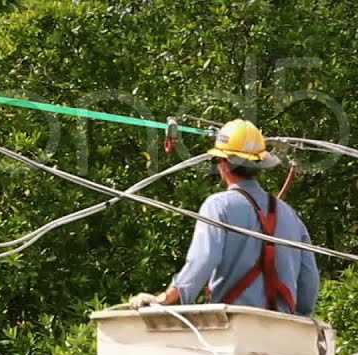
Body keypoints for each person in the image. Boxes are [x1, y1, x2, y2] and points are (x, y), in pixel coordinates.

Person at [128, 119, 319, 317]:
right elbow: (309, 279)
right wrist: (301, 318)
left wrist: (164, 299)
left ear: (223, 163)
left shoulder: (218, 206)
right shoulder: (290, 216)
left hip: (235, 325)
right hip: (284, 328)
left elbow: (203, 259)